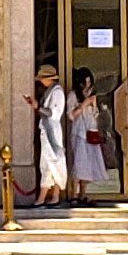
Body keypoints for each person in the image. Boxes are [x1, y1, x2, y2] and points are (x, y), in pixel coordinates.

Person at [22, 63, 67, 204]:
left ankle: (48, 197)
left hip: (52, 130)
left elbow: (54, 113)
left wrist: (38, 107)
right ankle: (52, 196)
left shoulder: (57, 92)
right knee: (48, 163)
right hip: (47, 129)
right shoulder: (50, 92)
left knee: (54, 161)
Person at [67, 69, 110, 205]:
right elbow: (71, 115)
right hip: (79, 133)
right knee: (79, 163)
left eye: (89, 82)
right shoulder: (73, 96)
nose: (87, 85)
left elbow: (96, 115)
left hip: (91, 132)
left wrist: (94, 105)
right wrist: (84, 104)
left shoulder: (92, 95)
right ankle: (74, 193)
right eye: (85, 82)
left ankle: (83, 194)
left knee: (89, 162)